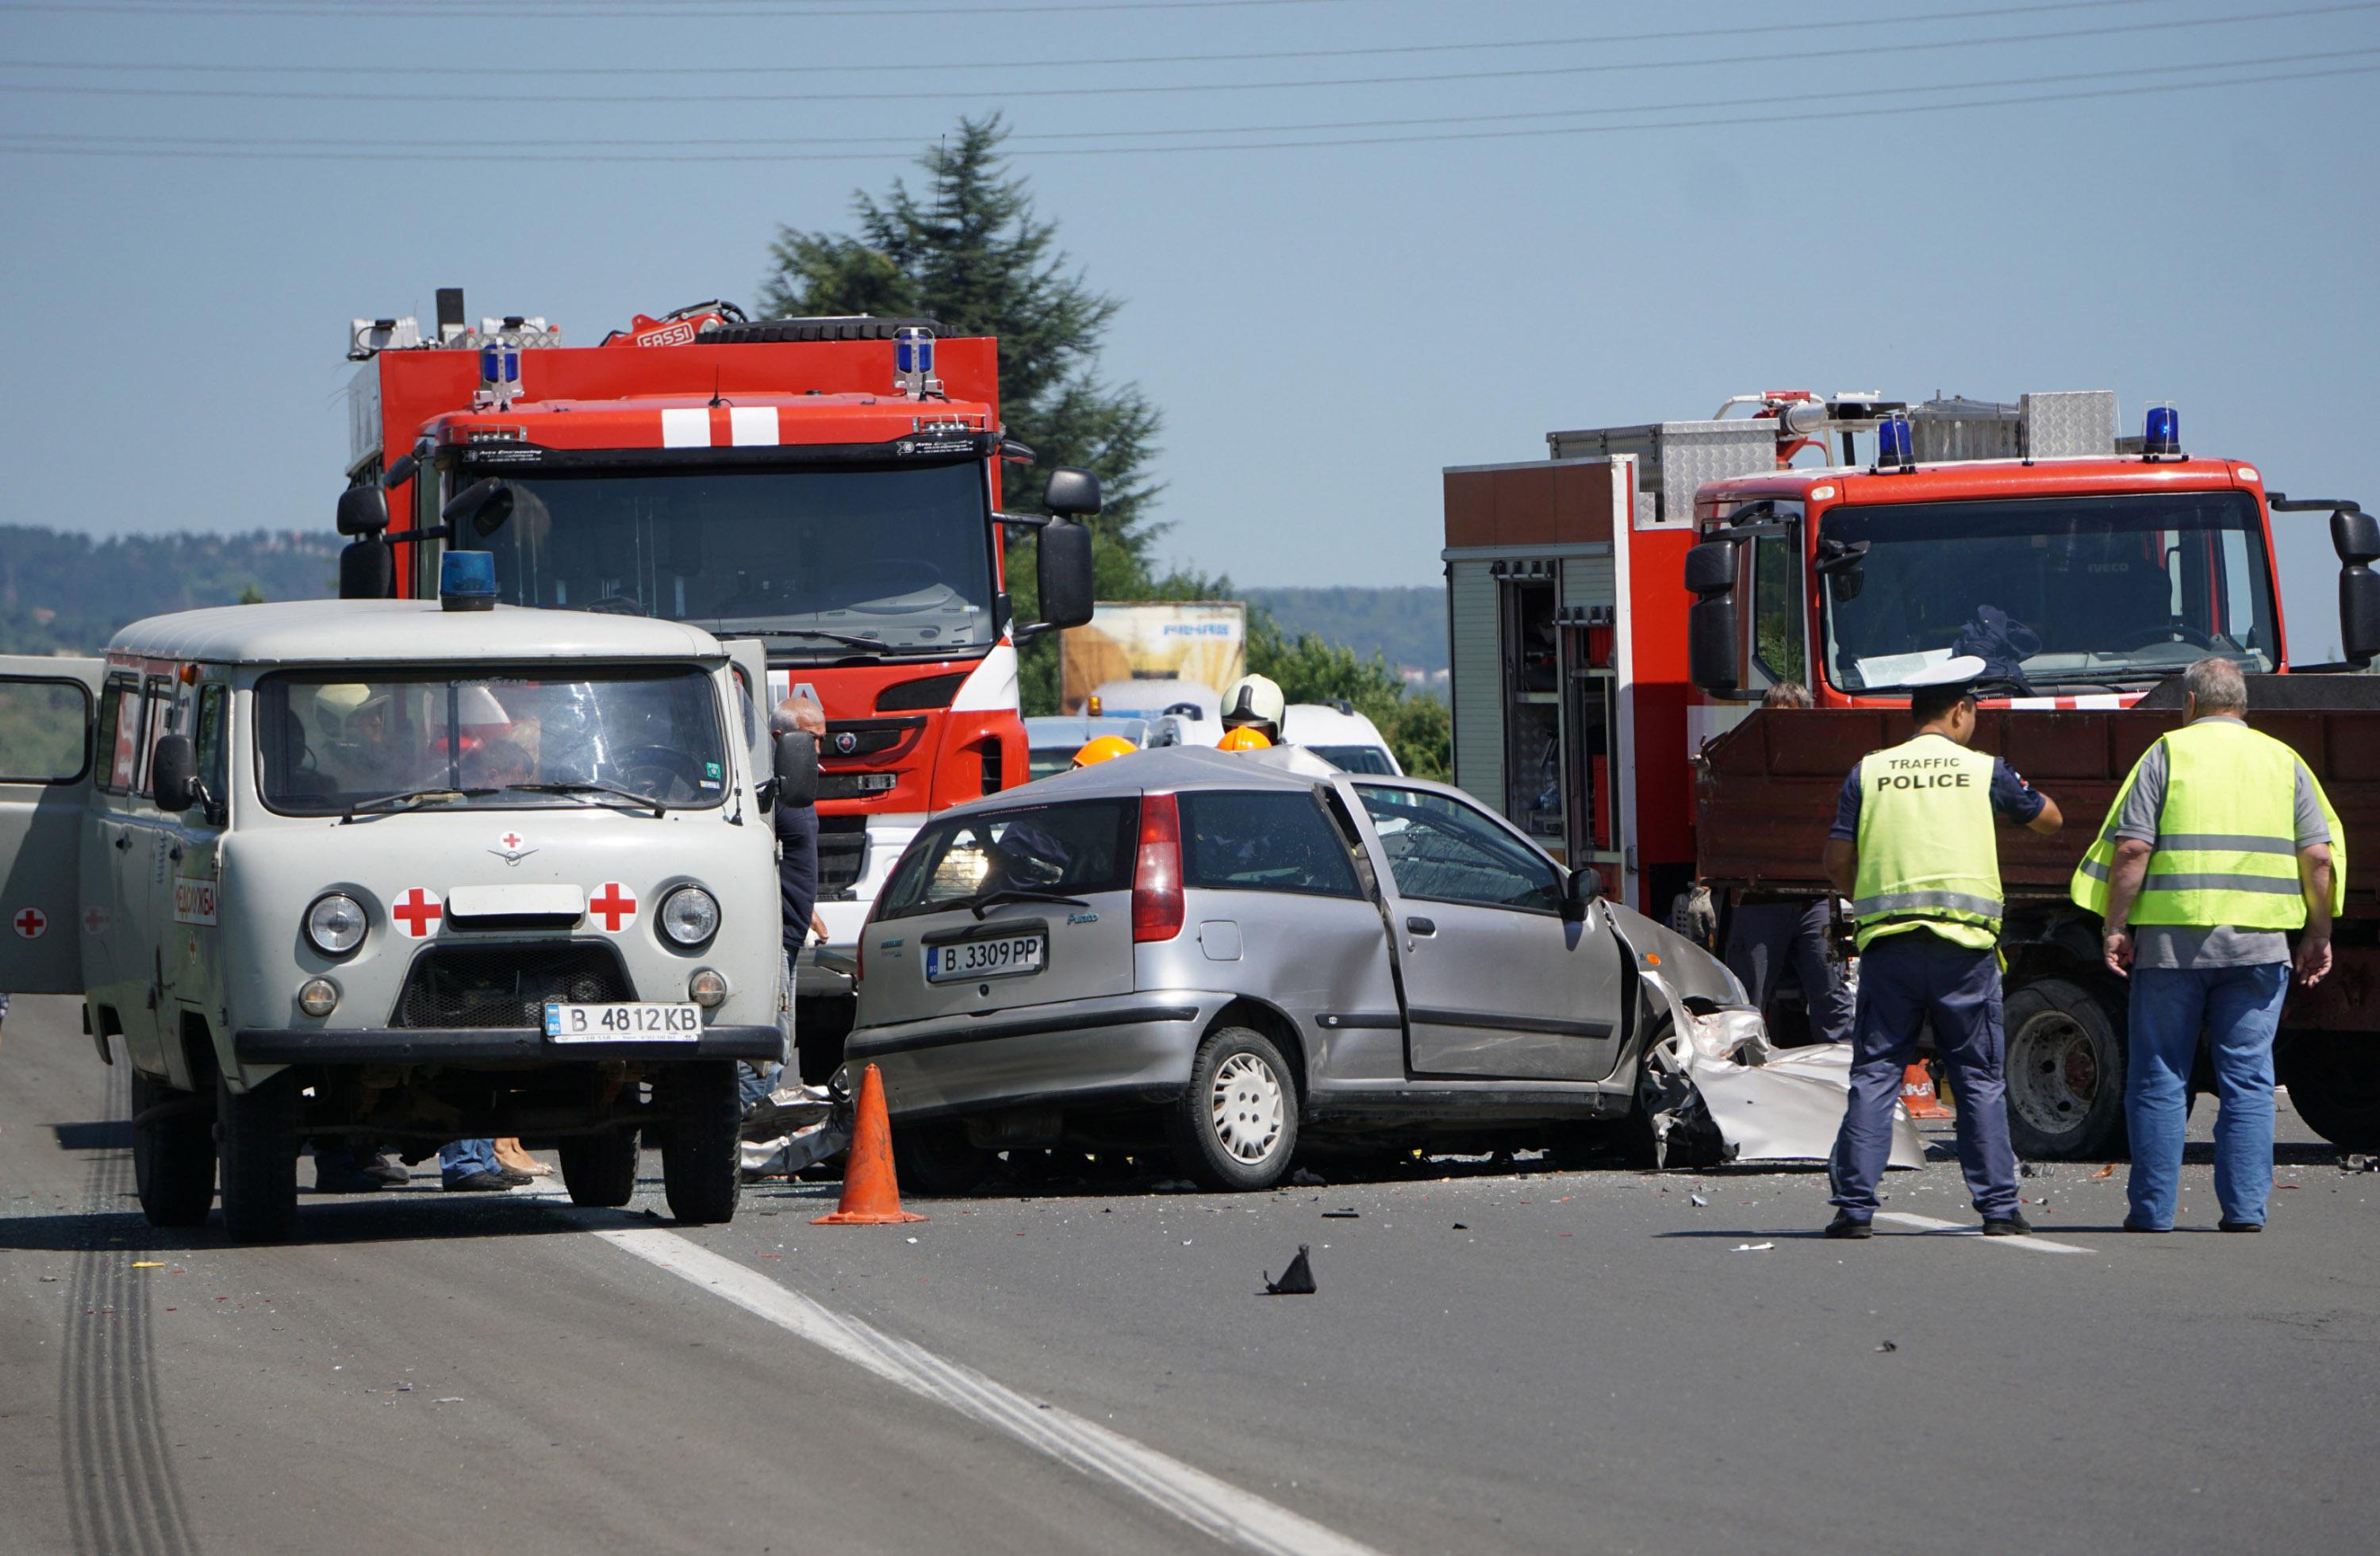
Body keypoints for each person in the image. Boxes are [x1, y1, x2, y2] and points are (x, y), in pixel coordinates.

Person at [2073, 656, 2341, 1234]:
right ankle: (2245, 1209)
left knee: (2160, 1075)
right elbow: (2318, 856)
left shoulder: (2167, 753)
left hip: (2173, 947)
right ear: (2243, 704)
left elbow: (2132, 850)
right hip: (2259, 946)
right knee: (2248, 1078)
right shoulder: (2284, 760)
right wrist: (2318, 932)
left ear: (2190, 704)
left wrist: (2115, 926)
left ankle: (2151, 1210)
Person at [1821, 655, 2064, 1239]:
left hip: (1892, 950)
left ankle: (1855, 1208)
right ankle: (1999, 1209)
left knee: (1876, 1072)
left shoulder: (1869, 772)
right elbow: (2051, 820)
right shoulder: (1986, 773)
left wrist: (1873, 896)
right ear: (1960, 710)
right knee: (1978, 1077)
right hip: (1964, 953)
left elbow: (1835, 861)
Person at [1723, 682, 1855, 1045]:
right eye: (1776, 717)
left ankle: (1842, 1079)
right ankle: (1742, 1080)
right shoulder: (1741, 760)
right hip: (1760, 899)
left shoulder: (1825, 764)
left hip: (1813, 900)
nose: (1783, 727)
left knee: (1833, 999)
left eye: (1792, 717)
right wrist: (1703, 884)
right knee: (1745, 1006)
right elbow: (1716, 823)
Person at [1217, 674, 1286, 744]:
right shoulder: (1214, 754)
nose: (1242, 734)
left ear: (1273, 732)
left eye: (1256, 727)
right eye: (1236, 726)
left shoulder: (1290, 755)